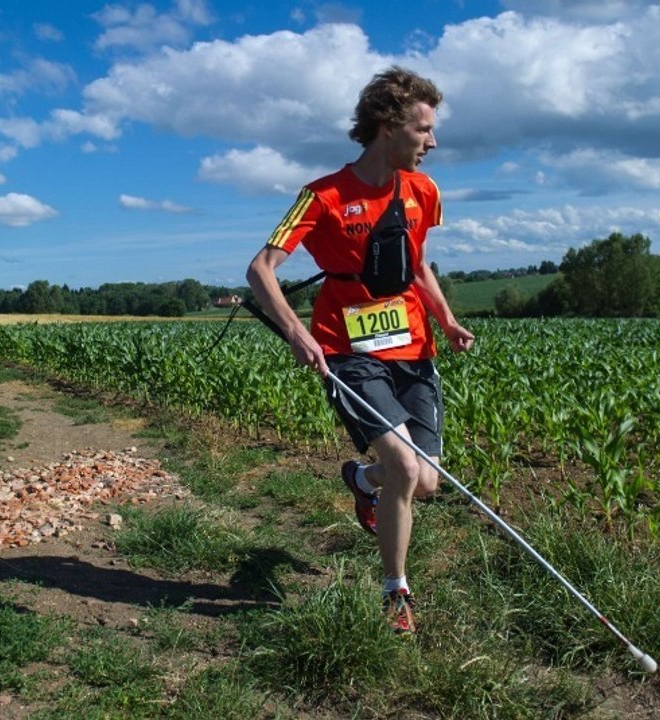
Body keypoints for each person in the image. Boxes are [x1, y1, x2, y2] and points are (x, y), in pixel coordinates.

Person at [246, 66, 474, 635]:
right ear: (387, 125)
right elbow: (261, 269)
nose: (433, 142)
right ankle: (396, 593)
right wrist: (298, 333)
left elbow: (417, 264)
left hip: (413, 349)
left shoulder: (424, 191)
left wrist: (446, 320)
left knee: (425, 481)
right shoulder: (322, 195)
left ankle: (363, 481)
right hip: (347, 351)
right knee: (403, 464)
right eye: (423, 129)